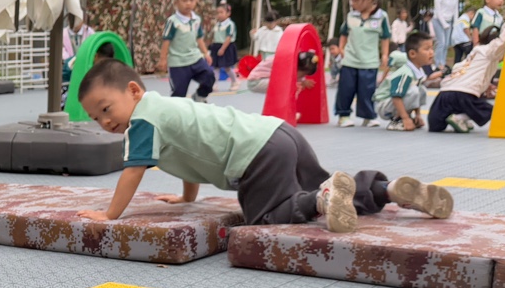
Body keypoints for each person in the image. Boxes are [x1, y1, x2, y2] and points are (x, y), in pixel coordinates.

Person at [73, 58, 454, 234]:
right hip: (278, 133)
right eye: (95, 118)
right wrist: (187, 198)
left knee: (266, 216)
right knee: (329, 184)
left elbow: (133, 171)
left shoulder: (141, 121)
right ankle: (385, 190)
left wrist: (110, 215)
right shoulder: (166, 106)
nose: (105, 122)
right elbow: (189, 151)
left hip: (255, 157)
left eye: (106, 109)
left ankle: (320, 200)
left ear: (133, 91)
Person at [428, 19, 505, 133]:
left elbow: (462, 71)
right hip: (464, 93)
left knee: (436, 126)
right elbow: (503, 40)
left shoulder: (473, 54)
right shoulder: (490, 51)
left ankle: (459, 118)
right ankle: (459, 118)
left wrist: (486, 86)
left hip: (445, 93)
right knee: (489, 110)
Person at [334, 0, 391, 127]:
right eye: (351, 0)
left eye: (355, 0)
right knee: (346, 89)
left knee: (367, 90)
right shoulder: (351, 16)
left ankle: (368, 116)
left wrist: (385, 54)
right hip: (350, 60)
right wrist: (341, 48)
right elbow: (344, 33)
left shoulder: (382, 17)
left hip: (369, 61)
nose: (352, 3)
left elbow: (385, 37)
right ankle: (343, 115)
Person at [159, 0, 213, 102]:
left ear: (196, 0)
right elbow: (166, 40)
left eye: (191, 0)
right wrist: (163, 59)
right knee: (179, 93)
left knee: (209, 76)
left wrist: (206, 53)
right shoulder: (173, 21)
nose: (188, 3)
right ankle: (176, 112)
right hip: (178, 63)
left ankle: (199, 97)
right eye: (184, 0)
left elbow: (199, 38)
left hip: (195, 59)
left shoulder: (196, 19)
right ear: (176, 3)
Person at [372, 31, 435, 131]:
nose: (431, 52)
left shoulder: (418, 71)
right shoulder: (405, 73)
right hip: (384, 105)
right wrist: (406, 118)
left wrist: (418, 115)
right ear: (413, 54)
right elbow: (396, 96)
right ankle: (397, 120)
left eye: (432, 48)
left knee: (421, 90)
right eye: (427, 49)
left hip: (393, 103)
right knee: (413, 91)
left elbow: (417, 93)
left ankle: (405, 117)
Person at [208, 1, 239, 88]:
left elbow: (229, 37)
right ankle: (214, 84)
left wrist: (222, 49)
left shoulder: (230, 24)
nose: (219, 15)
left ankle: (234, 81)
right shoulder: (217, 24)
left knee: (227, 67)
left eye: (221, 12)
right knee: (216, 67)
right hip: (216, 46)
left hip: (226, 46)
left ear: (228, 13)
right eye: (217, 13)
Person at [432, 0, 461, 67]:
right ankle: (437, 64)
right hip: (438, 21)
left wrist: (456, 22)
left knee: (446, 44)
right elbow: (438, 10)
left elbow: (455, 9)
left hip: (449, 21)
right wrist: (444, 24)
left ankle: (443, 62)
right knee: (441, 42)